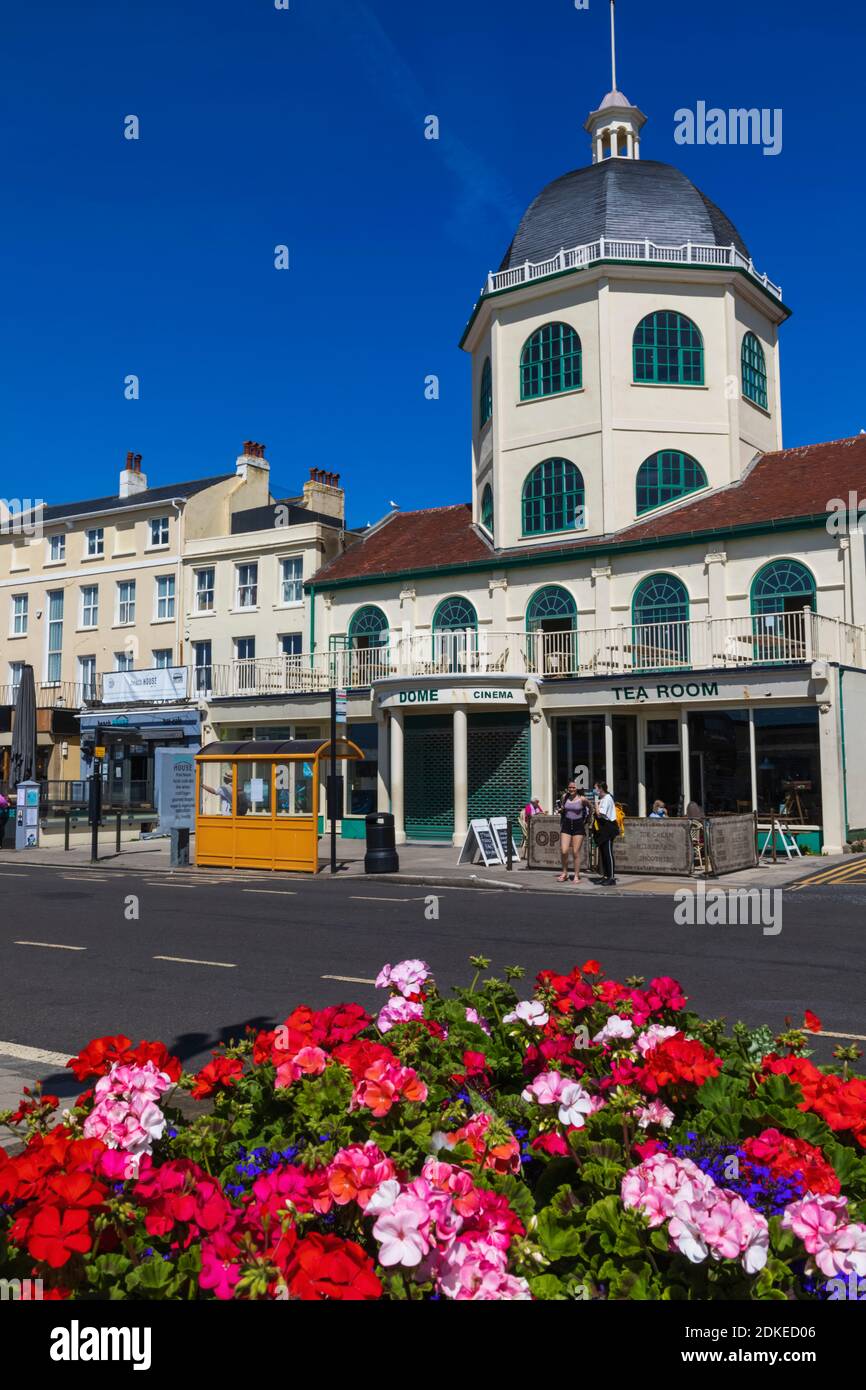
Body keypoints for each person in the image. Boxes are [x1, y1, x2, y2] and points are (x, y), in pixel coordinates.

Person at [558, 781, 590, 884]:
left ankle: (576, 875)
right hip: (566, 825)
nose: (571, 789)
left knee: (576, 852)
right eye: (570, 787)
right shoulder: (564, 797)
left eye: (573, 787)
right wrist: (561, 810)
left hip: (578, 826)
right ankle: (565, 873)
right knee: (564, 851)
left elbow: (591, 808)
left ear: (577, 788)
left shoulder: (582, 799)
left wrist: (587, 820)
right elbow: (563, 808)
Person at [593, 780, 619, 885]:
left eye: (595, 788)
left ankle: (611, 877)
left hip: (608, 828)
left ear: (600, 788)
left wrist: (595, 803)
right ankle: (605, 875)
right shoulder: (603, 799)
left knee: (608, 853)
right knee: (603, 853)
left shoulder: (607, 798)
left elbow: (599, 814)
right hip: (603, 829)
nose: (594, 790)